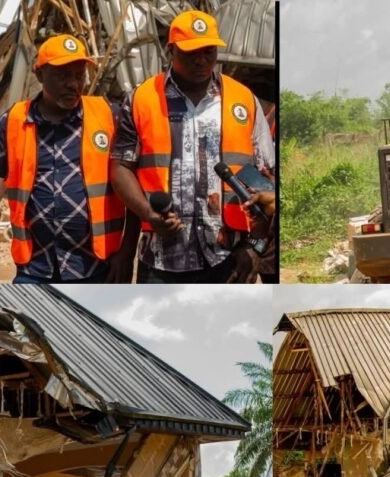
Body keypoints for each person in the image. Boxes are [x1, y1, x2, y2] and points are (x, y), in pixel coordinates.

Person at [110, 9, 277, 284]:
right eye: (191, 52)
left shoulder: (243, 100)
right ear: (171, 50)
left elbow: (266, 179)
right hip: (161, 261)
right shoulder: (141, 100)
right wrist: (148, 214)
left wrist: (256, 246)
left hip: (229, 258)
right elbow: (121, 167)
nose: (201, 61)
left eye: (208, 52)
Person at [0, 34, 133, 284]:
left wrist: (125, 252)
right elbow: (1, 174)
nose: (73, 84)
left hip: (95, 266)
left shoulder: (108, 116)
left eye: (79, 75)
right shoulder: (14, 121)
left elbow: (132, 184)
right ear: (40, 75)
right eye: (62, 76)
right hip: (35, 267)